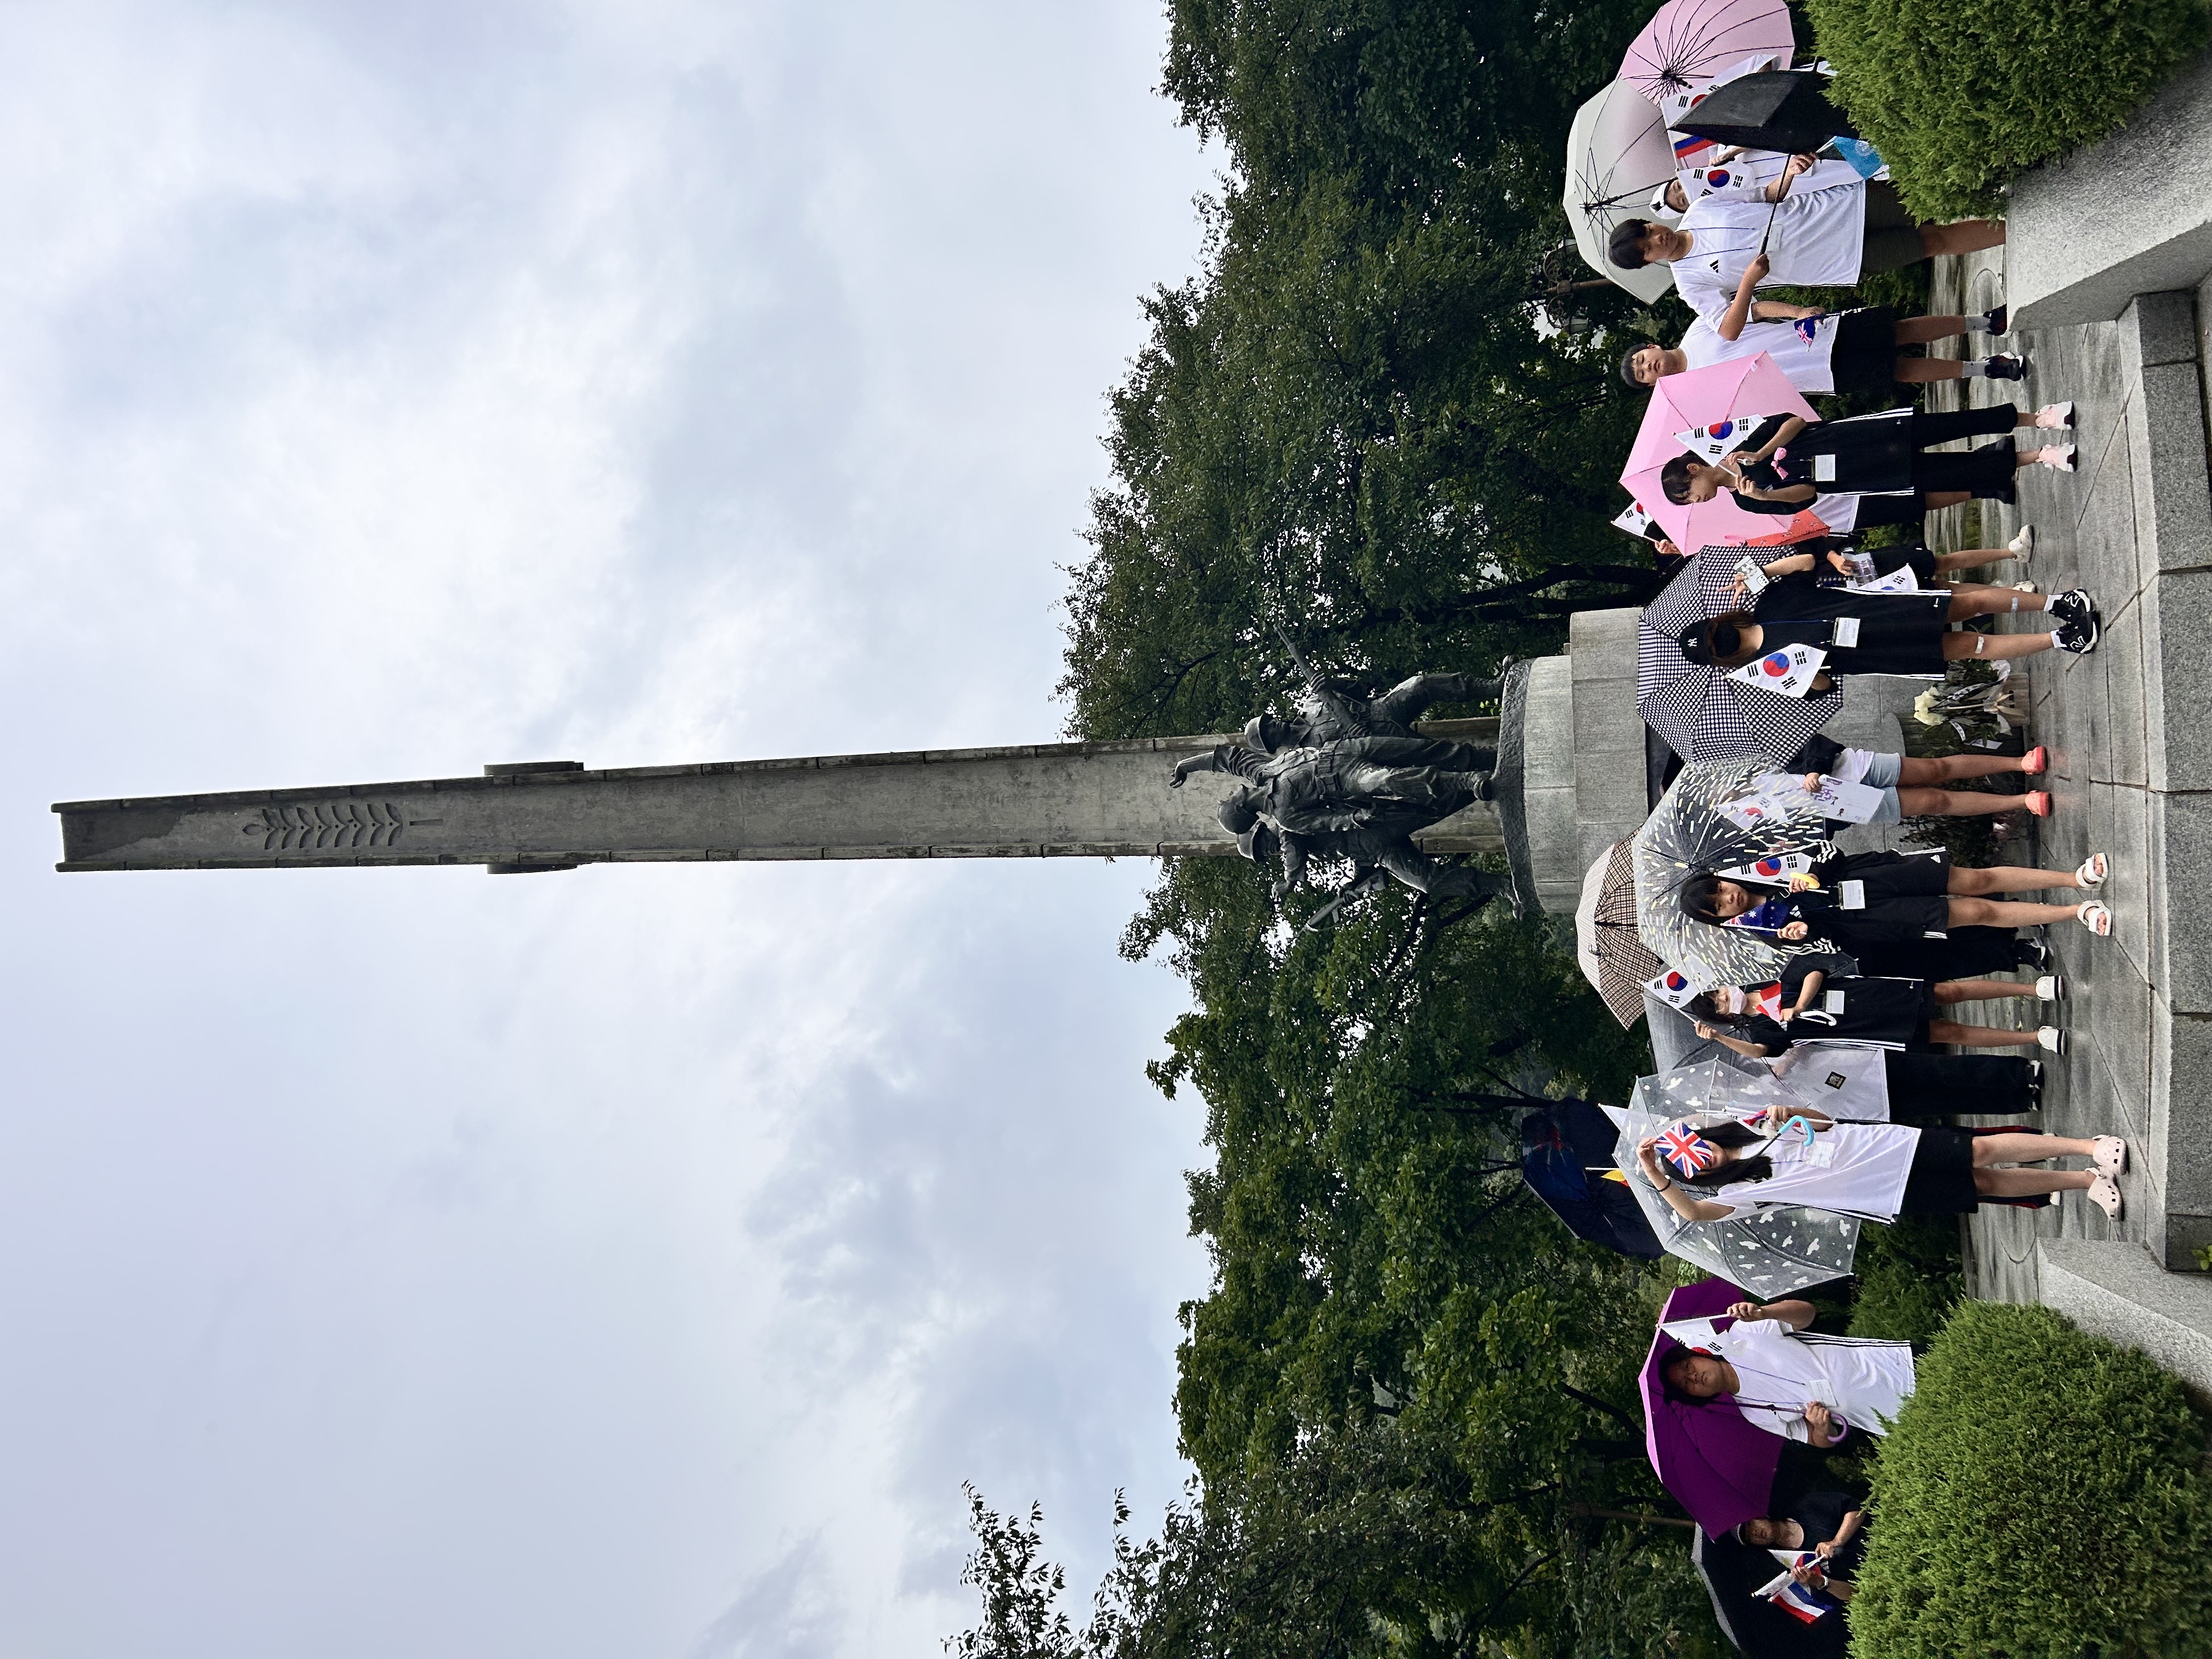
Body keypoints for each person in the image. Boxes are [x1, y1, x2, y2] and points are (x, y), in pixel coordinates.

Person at [1605, 169, 2004, 338]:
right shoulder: (1691, 282)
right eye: (1648, 247)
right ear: (1647, 261)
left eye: (1648, 230)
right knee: (1932, 241)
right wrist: (1747, 283)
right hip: (1837, 260)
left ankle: (2009, 189)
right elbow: (1728, 328)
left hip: (1838, 208)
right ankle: (2012, 229)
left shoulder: (1701, 209)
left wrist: (1790, 174)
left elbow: (1763, 194)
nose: (1657, 238)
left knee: (1929, 197)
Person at [1635, 1107, 2129, 1220]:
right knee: (1982, 1183)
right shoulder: (1740, 1193)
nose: (1705, 1159)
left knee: (1977, 1150)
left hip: (1877, 1149)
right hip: (1879, 1194)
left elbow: (1825, 1121)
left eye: (1698, 1148)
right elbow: (1695, 1215)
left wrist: (1791, 1113)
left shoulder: (1756, 1124)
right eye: (1695, 1166)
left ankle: (2088, 1146)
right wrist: (1658, 1176)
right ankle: (2083, 1179)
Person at [1660, 407, 2080, 534]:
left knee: (1954, 424)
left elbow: (1794, 421)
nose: (1696, 500)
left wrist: (1764, 451)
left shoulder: (1735, 440)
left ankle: (2037, 418)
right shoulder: (1747, 502)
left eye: (1689, 491)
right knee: (1956, 470)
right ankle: (2041, 455)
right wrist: (1765, 496)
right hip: (1867, 476)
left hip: (1862, 437)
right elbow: (1807, 495)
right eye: (1690, 502)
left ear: (1695, 468)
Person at [1677, 574, 2097, 681]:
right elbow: (1821, 684)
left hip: (1882, 610)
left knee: (1963, 603)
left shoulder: (1767, 601)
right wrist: (1800, 675)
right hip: (1876, 654)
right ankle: (2061, 639)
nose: (1723, 637)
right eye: (1717, 646)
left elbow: (1808, 566)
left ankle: (2056, 603)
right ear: (1721, 657)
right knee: (1971, 644)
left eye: (1715, 631)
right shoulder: (1766, 670)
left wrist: (1762, 572)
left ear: (1717, 622)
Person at [1678, 848, 2116, 944]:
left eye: (1718, 889)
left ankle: (2073, 878)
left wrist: (1810, 875)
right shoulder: (1765, 932)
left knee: (1977, 880)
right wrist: (1805, 931)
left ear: (1721, 878)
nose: (1727, 898)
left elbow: (1830, 851)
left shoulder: (1761, 866)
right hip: (1877, 916)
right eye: (1716, 907)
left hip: (1881, 877)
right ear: (1719, 919)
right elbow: (1829, 943)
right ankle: (2074, 911)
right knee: (1978, 911)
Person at [1689, 951, 2068, 1056]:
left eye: (1719, 992)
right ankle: (2036, 1038)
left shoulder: (1774, 981)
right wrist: (1720, 1040)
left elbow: (1815, 972)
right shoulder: (1759, 1027)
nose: (1724, 998)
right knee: (1949, 1033)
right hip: (1863, 1028)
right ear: (1725, 1016)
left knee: (1947, 993)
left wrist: (1800, 1005)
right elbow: (1759, 1052)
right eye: (1719, 1005)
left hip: (1868, 994)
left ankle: (2031, 990)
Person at [1657, 1296, 1914, 1444]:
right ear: (1697, 1397)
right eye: (1687, 1385)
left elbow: (1807, 1314)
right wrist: (1822, 1429)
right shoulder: (1753, 1414)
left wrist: (1763, 1312)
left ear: (1699, 1353)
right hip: (1891, 1419)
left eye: (1688, 1367)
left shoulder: (1743, 1332)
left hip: (1896, 1364)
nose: (1693, 1377)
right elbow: (1815, 1440)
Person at [1620, 306, 2021, 397]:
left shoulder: (1698, 328)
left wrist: (1797, 312)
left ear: (1651, 346)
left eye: (1641, 360)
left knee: (1899, 332)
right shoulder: (1698, 394)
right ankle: (1981, 369)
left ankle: (1982, 322)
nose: (1648, 367)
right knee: (1900, 370)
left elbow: (1754, 308)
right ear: (1654, 383)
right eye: (1643, 375)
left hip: (1810, 336)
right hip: (1812, 376)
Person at [1786, 734, 2056, 825]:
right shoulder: (1750, 823)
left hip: (1851, 768)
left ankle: (2020, 763)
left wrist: (1813, 769)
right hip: (1847, 806)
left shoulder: (1750, 751)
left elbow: (1807, 741)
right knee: (1936, 802)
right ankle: (2022, 802)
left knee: (1936, 769)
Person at [1740, 1492, 1870, 1581]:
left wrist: (1837, 1541)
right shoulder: (1789, 1563)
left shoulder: (1806, 1506)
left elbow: (1857, 1507)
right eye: (1749, 1537)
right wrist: (1818, 1583)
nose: (1754, 1533)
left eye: (1751, 1525)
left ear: (1761, 1516)